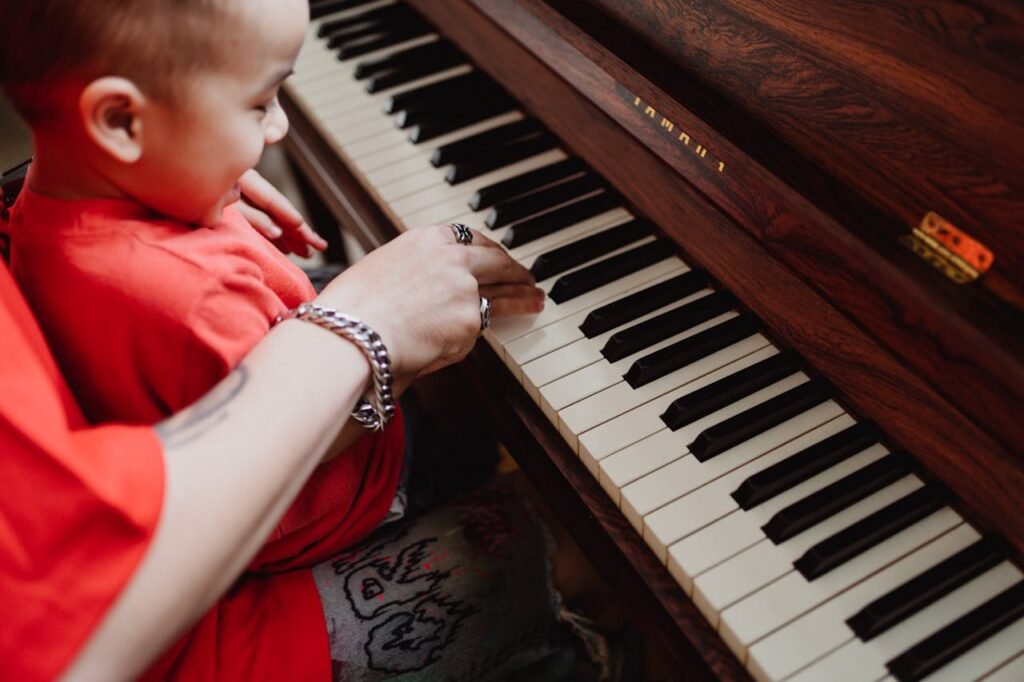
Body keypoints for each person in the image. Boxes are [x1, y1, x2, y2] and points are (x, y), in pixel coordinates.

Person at [0, 0, 600, 680]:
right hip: (339, 493)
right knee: (510, 454)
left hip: (197, 415)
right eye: (260, 104)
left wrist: (191, 159)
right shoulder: (192, 295)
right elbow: (321, 435)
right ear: (120, 121)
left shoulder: (42, 211)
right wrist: (407, 362)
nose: (281, 126)